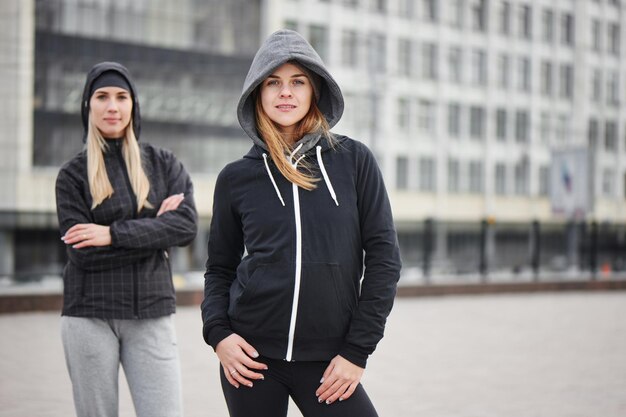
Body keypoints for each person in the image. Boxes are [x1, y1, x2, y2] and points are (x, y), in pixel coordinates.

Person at [201, 29, 402, 417]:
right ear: (257, 94)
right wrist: (219, 335)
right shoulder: (236, 177)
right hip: (252, 359)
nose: (285, 92)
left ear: (315, 91)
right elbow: (219, 268)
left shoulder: (354, 161)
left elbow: (384, 261)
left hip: (330, 360)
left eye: (298, 81)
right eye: (273, 82)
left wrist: (356, 351)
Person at [55, 61, 197, 417]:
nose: (112, 106)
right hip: (89, 317)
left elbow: (185, 227)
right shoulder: (72, 176)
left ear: (134, 104)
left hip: (151, 314)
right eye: (102, 96)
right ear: (88, 105)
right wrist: (154, 232)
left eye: (121, 96)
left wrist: (111, 234)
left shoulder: (163, 164)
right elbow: (82, 255)